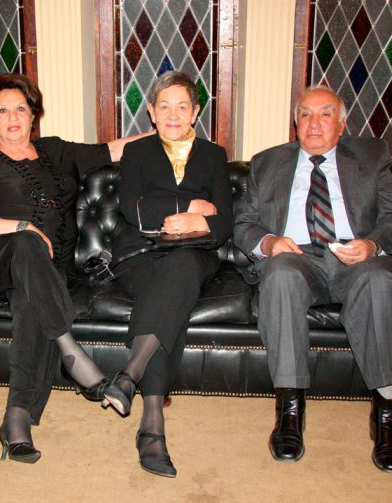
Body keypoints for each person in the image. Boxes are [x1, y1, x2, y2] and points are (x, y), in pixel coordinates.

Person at [0, 73, 150, 464]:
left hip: (43, 270)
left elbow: (112, 149)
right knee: (27, 244)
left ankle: (16, 420)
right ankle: (72, 352)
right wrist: (23, 227)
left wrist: (166, 128)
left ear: (34, 115)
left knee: (30, 300)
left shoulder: (56, 152)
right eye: (2, 111)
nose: (13, 117)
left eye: (20, 109)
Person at [234, 85, 392, 473]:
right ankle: (290, 411)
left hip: (356, 257)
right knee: (280, 275)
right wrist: (270, 242)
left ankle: (387, 416)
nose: (314, 123)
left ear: (342, 123)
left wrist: (372, 245)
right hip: (297, 258)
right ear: (295, 123)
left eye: (325, 114)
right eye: (305, 115)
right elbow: (244, 225)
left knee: (380, 281)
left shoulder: (372, 156)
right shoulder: (267, 162)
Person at [102, 71, 233, 477]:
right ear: (152, 113)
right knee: (169, 289)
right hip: (140, 253)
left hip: (194, 254)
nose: (173, 115)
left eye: (182, 106)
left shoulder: (214, 155)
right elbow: (132, 207)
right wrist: (191, 207)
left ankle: (131, 374)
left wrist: (199, 224)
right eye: (164, 106)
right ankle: (151, 426)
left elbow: (225, 220)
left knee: (179, 269)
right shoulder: (137, 152)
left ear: (195, 112)